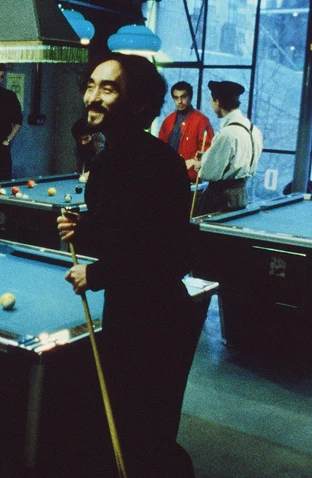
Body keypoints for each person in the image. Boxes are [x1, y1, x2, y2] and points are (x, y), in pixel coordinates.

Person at [56, 54, 204, 477]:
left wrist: (96, 274)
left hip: (159, 318)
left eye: (108, 88)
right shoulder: (105, 161)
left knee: (146, 434)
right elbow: (123, 233)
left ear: (138, 103)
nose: (92, 97)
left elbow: (169, 254)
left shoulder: (159, 164)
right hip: (125, 312)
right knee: (120, 424)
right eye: (91, 85)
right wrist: (84, 229)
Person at [195, 81, 263, 215]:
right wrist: (208, 156)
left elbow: (208, 173)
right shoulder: (255, 130)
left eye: (212, 100)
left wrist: (200, 164)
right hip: (241, 197)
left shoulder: (226, 134)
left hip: (220, 199)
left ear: (218, 102)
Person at [157, 81, 214, 181]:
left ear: (190, 97)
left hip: (190, 178)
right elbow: (160, 147)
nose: (180, 101)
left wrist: (194, 161)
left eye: (183, 97)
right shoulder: (168, 120)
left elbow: (208, 150)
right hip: (168, 174)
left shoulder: (202, 121)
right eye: (176, 98)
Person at [71, 117, 105, 182]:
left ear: (93, 135)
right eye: (79, 139)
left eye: (86, 139)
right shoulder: (80, 142)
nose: (83, 143)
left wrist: (91, 173)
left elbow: (102, 162)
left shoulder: (99, 140)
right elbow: (81, 160)